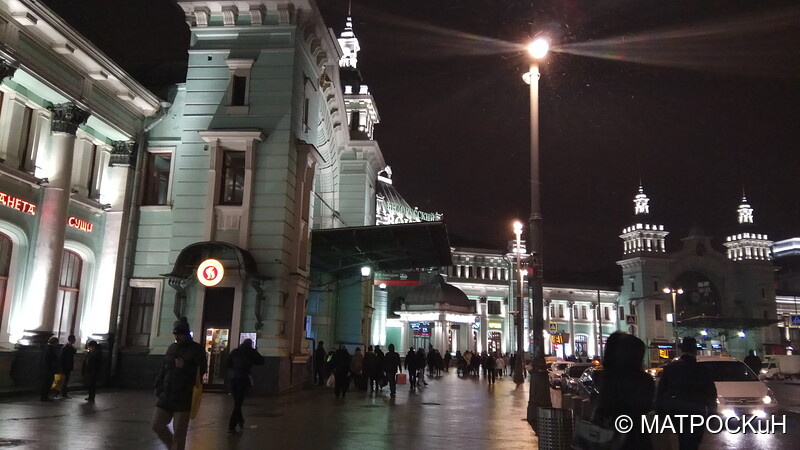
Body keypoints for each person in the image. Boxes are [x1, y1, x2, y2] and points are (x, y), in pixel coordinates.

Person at [152, 317, 207, 450]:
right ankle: (172, 446)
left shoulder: (197, 349)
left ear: (187, 334)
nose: (177, 337)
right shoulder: (172, 348)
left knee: (179, 434)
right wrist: (158, 386)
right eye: (176, 334)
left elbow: (202, 371)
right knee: (156, 425)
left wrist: (185, 367)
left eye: (180, 334)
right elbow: (163, 368)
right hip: (166, 394)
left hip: (183, 397)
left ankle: (176, 447)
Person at [593, 332, 655, 450]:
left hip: (612, 435)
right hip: (638, 435)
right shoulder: (646, 379)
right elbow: (647, 406)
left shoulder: (611, 377)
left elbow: (604, 407)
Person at [656, 337, 717, 450]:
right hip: (697, 410)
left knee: (682, 439)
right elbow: (711, 392)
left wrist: (660, 412)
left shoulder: (671, 368)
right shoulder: (702, 369)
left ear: (681, 351)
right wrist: (712, 411)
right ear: (695, 351)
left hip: (677, 409)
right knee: (693, 441)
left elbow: (662, 390)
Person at [226, 339, 264, 433]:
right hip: (243, 379)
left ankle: (241, 421)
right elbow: (261, 361)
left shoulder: (235, 351)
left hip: (234, 378)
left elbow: (228, 364)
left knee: (237, 402)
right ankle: (232, 426)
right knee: (238, 404)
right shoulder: (251, 351)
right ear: (250, 344)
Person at [41, 336, 60, 402]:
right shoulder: (50, 349)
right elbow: (50, 360)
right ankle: (44, 396)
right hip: (49, 369)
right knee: (47, 383)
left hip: (46, 369)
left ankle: (44, 396)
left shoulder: (46, 348)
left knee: (46, 383)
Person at [58, 335, 77, 399]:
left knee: (65, 381)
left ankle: (63, 394)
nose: (75, 341)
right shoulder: (65, 348)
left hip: (68, 366)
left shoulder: (70, 348)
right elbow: (61, 358)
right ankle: (58, 394)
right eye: (74, 339)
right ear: (71, 340)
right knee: (61, 380)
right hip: (64, 366)